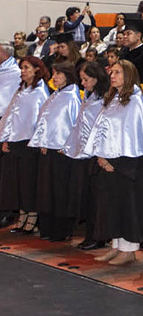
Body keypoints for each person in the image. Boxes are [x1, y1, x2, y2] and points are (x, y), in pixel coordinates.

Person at [84, 60, 143, 266]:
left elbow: (133, 136)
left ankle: (129, 250)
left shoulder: (135, 100)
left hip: (127, 163)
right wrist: (101, 155)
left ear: (129, 75)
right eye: (112, 72)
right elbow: (102, 130)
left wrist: (113, 160)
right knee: (113, 206)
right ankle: (116, 246)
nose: (112, 75)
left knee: (128, 206)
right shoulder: (114, 98)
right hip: (110, 160)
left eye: (117, 72)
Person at [29, 62, 82, 242]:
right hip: (48, 150)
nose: (55, 77)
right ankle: (47, 228)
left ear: (68, 75)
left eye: (59, 74)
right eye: (53, 74)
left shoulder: (72, 97)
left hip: (62, 152)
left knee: (60, 191)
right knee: (47, 190)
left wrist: (65, 146)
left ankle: (61, 230)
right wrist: (42, 141)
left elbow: (75, 125)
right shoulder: (55, 95)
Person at [0, 57, 51, 234]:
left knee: (29, 183)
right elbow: (10, 115)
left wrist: (38, 140)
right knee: (18, 182)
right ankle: (22, 216)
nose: (23, 71)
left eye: (27, 67)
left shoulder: (40, 91)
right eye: (21, 68)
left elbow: (42, 119)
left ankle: (32, 218)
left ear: (37, 69)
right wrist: (5, 138)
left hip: (30, 142)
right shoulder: (21, 89)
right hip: (16, 141)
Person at [64, 61, 110, 251]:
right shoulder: (88, 96)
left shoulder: (105, 99)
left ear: (96, 78)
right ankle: (90, 234)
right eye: (81, 79)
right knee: (87, 197)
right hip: (83, 152)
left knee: (98, 199)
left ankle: (98, 236)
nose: (83, 83)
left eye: (86, 79)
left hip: (97, 153)